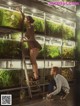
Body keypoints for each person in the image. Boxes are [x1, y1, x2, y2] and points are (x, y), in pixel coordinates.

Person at [18, 8, 42, 80]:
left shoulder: (31, 27)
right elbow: (24, 17)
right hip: (32, 47)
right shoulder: (28, 27)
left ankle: (36, 76)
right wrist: (20, 11)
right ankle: (36, 75)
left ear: (28, 21)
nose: (25, 20)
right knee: (32, 61)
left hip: (34, 46)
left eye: (26, 19)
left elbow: (32, 38)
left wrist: (24, 41)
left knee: (33, 61)